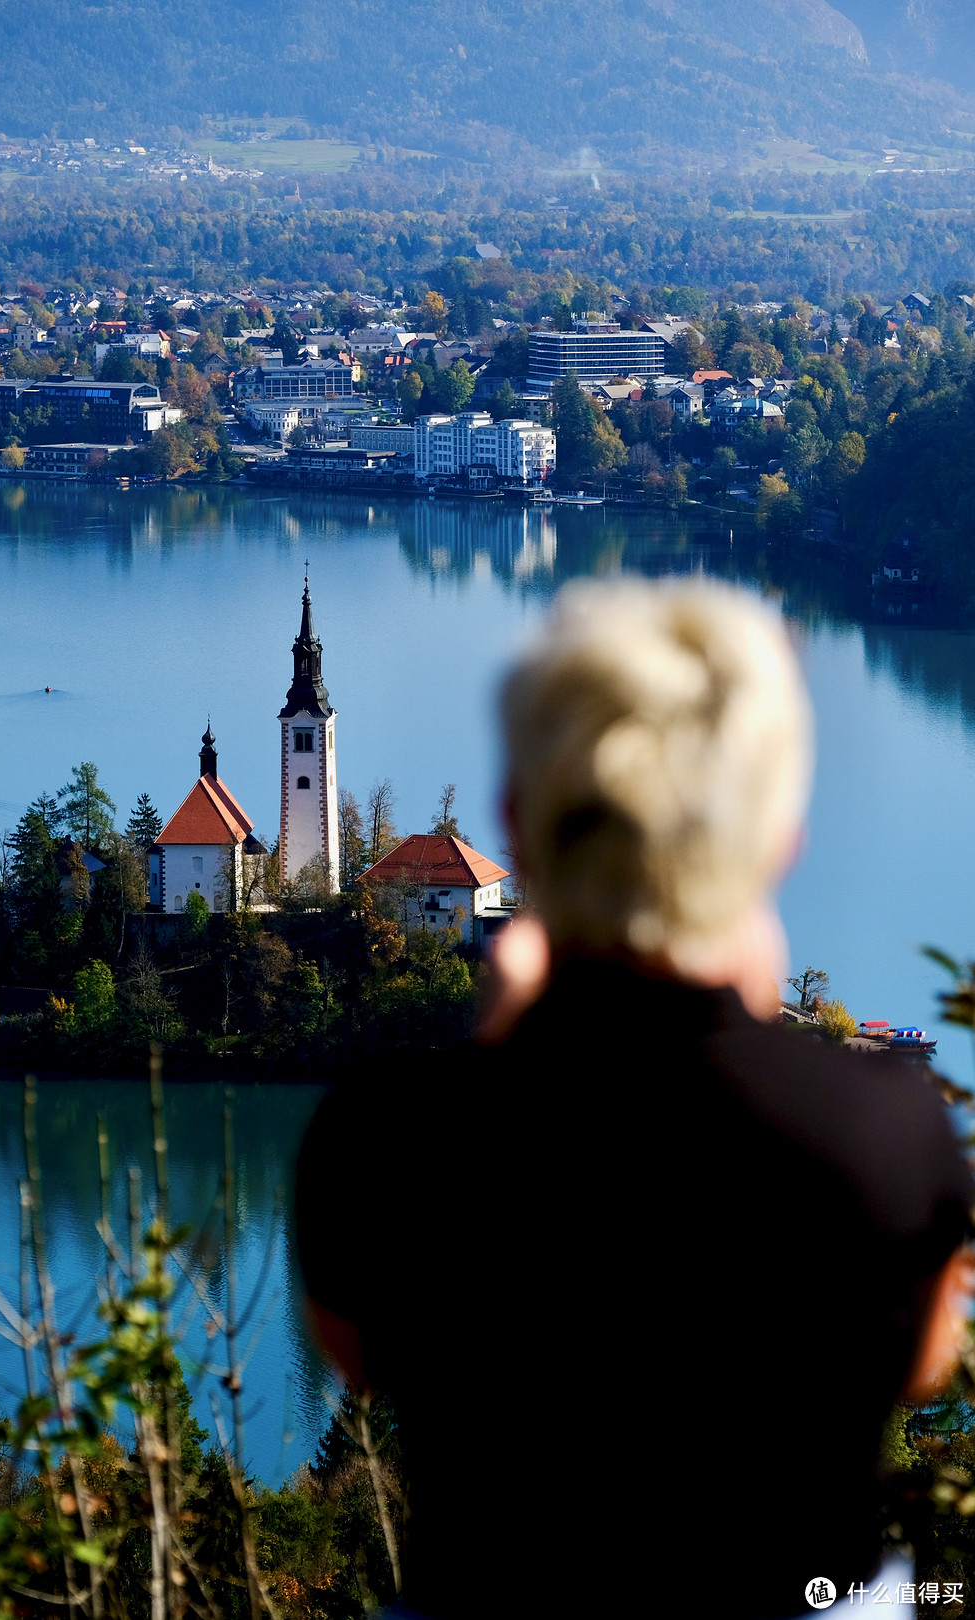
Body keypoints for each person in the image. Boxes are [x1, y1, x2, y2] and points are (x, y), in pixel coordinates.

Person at [296, 577, 973, 1620]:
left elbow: (360, 1352)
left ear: (519, 818)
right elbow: (927, 1359)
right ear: (779, 834)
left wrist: (504, 1044)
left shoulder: (388, 1134)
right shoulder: (888, 1126)